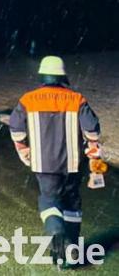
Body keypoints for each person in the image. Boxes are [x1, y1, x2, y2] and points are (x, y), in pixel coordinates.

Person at [8, 56, 103, 266]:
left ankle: (58, 238)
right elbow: (92, 130)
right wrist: (94, 160)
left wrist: (24, 149)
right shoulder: (76, 99)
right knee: (71, 204)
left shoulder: (28, 100)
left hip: (43, 165)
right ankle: (72, 249)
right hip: (73, 164)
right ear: (62, 76)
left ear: (43, 76)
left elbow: (15, 128)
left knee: (49, 201)